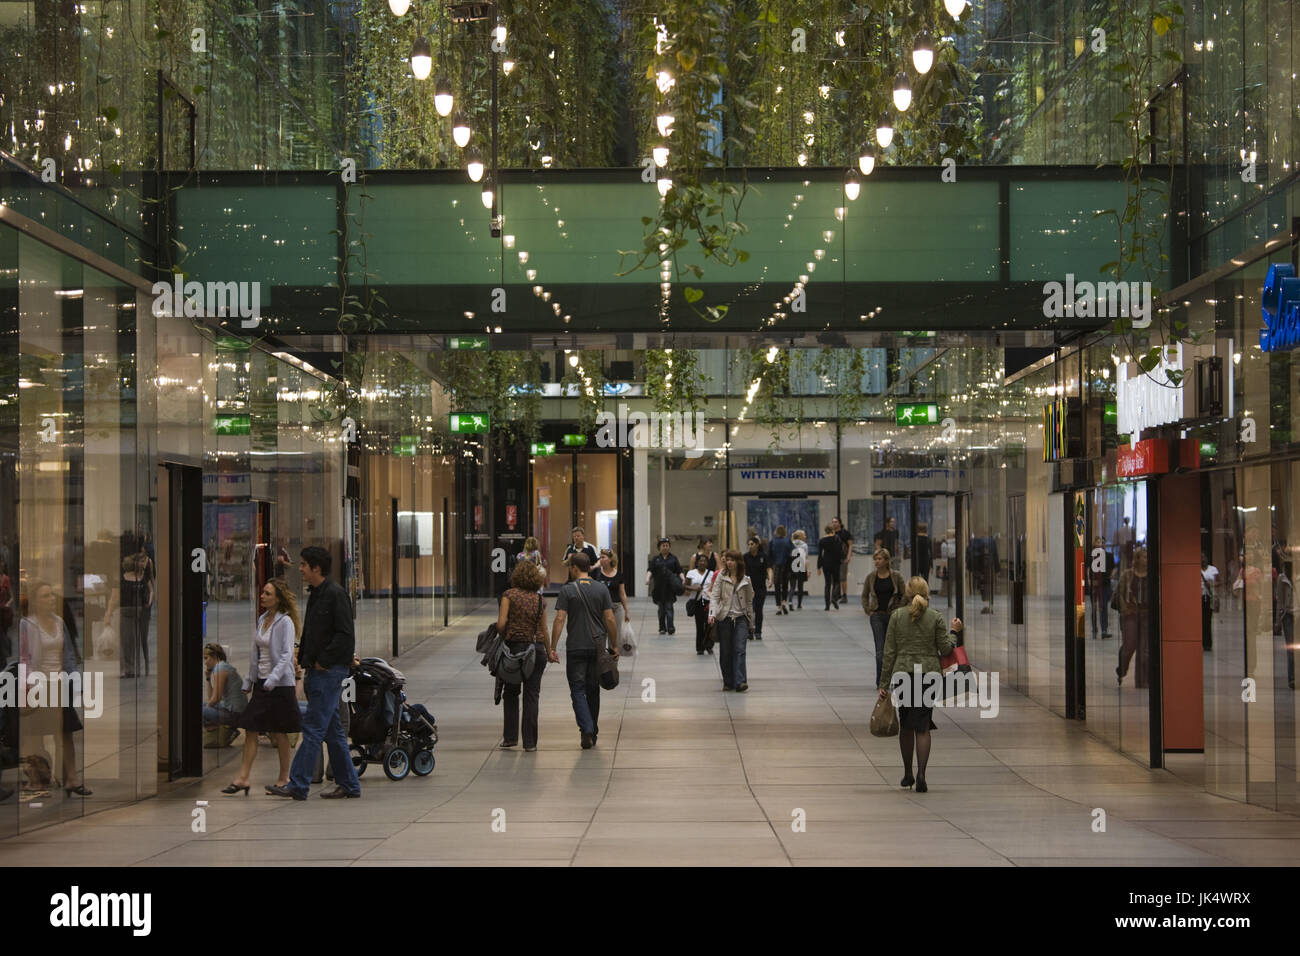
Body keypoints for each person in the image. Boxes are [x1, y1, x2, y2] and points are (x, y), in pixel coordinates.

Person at [270, 547, 360, 800]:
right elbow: (313, 632)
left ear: (316, 568)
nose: (300, 569)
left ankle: (297, 784)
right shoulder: (317, 595)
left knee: (312, 729)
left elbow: (345, 635)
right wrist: (305, 657)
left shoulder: (335, 595)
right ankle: (349, 784)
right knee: (332, 732)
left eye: (303, 565)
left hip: (328, 672)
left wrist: (323, 661)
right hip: (317, 671)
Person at [877, 577, 961, 793]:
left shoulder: (897, 616)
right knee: (923, 726)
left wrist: (884, 683)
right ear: (927, 593)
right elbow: (946, 649)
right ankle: (922, 773)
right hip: (928, 675)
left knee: (906, 725)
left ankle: (908, 773)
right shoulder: (935, 617)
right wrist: (954, 632)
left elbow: (889, 652)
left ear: (907, 593)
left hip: (904, 673)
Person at [224, 579, 301, 795]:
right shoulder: (262, 619)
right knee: (250, 728)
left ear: (278, 598)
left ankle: (284, 777)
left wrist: (273, 679)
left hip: (279, 685)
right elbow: (255, 653)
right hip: (262, 684)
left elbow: (286, 655)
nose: (263, 596)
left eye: (267, 593)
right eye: (263, 592)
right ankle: (243, 778)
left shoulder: (285, 622)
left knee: (280, 731)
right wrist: (250, 679)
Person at [18, 582, 91, 797]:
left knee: (66, 731)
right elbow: (25, 657)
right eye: (45, 596)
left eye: (52, 595)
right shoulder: (27, 624)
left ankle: (72, 778)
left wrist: (73, 681)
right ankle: (37, 779)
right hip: (39, 684)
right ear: (35, 602)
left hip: (59, 684)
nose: (51, 599)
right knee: (37, 735)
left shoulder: (59, 622)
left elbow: (68, 653)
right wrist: (28, 685)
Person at [551, 553, 617, 749]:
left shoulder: (567, 590)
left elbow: (560, 619)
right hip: (597, 648)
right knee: (593, 690)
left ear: (573, 568)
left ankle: (586, 728)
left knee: (578, 690)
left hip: (576, 647)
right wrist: (614, 645)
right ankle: (592, 731)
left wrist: (552, 647)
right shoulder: (601, 588)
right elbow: (610, 619)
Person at [496, 561, 552, 751]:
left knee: (511, 693)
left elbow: (501, 624)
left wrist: (507, 629)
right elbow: (544, 629)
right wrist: (550, 650)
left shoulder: (508, 596)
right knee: (531, 695)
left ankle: (510, 737)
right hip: (535, 650)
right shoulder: (539, 600)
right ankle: (530, 743)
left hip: (514, 650)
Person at [708, 549, 755, 692]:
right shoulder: (721, 578)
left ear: (738, 562)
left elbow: (748, 602)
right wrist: (712, 614)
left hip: (741, 619)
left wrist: (751, 623)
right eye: (727, 560)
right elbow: (715, 597)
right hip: (725, 618)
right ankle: (728, 681)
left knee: (740, 649)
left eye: (732, 560)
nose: (729, 562)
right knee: (726, 651)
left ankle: (740, 681)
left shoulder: (746, 580)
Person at [861, 549, 907, 686]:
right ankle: (881, 681)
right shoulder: (871, 577)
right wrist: (868, 609)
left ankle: (894, 679)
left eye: (879, 559)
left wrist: (899, 609)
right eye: (875, 559)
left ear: (887, 561)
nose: (877, 561)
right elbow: (865, 595)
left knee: (893, 648)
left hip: (893, 615)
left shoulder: (896, 576)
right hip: (877, 616)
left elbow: (905, 594)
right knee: (880, 649)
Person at [105, 553, 153, 678]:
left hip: (135, 612)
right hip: (133, 611)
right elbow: (114, 598)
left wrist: (108, 614)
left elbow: (114, 599)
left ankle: (131, 668)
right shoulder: (132, 578)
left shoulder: (135, 578)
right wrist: (108, 614)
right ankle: (131, 668)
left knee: (132, 641)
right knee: (130, 641)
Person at [1116, 545, 1150, 688]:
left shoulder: (1152, 575)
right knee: (1130, 645)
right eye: (1144, 557)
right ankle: (1122, 669)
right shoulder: (1128, 575)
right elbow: (1119, 594)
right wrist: (1125, 609)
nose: (1146, 559)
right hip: (1130, 614)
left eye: (1147, 557)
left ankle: (1143, 681)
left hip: (1146, 614)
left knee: (1144, 649)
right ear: (1137, 559)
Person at [202, 643, 247, 742]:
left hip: (234, 714)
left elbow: (216, 698)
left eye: (206, 658)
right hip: (232, 710)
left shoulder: (220, 668)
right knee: (204, 706)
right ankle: (224, 730)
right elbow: (212, 698)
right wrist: (208, 679)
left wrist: (206, 709)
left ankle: (226, 730)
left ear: (214, 657)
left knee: (200, 711)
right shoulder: (222, 667)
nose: (205, 662)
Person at [646, 537, 684, 635]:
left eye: (667, 545)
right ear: (659, 547)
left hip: (670, 589)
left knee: (669, 608)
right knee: (661, 610)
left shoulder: (673, 558)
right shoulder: (656, 559)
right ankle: (662, 627)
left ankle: (671, 627)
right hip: (659, 588)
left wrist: (683, 579)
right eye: (663, 545)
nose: (665, 547)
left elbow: (679, 570)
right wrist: (647, 579)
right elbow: (650, 570)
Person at [592, 549, 631, 636]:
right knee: (600, 634)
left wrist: (626, 611)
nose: (600, 559)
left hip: (616, 607)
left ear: (610, 559)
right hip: (600, 608)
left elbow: (622, 594)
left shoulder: (619, 575)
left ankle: (613, 649)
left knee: (615, 635)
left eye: (603, 557)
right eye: (600, 557)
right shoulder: (596, 573)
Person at [685, 554, 716, 655]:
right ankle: (700, 647)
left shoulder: (711, 574)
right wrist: (694, 588)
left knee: (709, 624)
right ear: (697, 562)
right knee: (699, 625)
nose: (702, 563)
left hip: (708, 602)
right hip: (697, 601)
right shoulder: (691, 573)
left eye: (704, 561)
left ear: (707, 563)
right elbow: (685, 586)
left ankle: (709, 645)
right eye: (700, 561)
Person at [743, 536, 772, 640]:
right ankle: (749, 630)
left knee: (758, 609)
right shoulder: (745, 557)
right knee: (749, 610)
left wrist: (770, 579)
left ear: (757, 545)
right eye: (749, 544)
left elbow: (769, 568)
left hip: (760, 587)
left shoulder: (763, 556)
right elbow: (742, 571)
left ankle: (758, 631)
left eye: (752, 544)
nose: (750, 546)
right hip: (748, 587)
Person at [1090, 536, 1115, 639]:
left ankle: (1104, 629)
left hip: (1105, 585)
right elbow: (1088, 569)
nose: (1100, 543)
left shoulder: (1108, 556)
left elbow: (1114, 568)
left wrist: (1112, 575)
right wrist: (1090, 581)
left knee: (1103, 607)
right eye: (1098, 541)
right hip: (1095, 586)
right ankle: (1095, 628)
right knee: (1095, 608)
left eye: (1102, 542)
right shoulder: (1092, 556)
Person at [1275, 561, 1295, 690]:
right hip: (1288, 616)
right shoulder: (1281, 579)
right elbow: (1280, 600)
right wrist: (1278, 621)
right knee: (1291, 649)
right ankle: (1292, 678)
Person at [816, 523, 844, 610]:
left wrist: (818, 567)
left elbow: (820, 554)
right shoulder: (837, 539)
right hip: (835, 563)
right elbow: (840, 552)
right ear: (832, 530)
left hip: (826, 563)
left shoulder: (822, 540)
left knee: (827, 584)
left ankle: (827, 606)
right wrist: (841, 560)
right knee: (836, 582)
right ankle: (834, 597)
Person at [768, 525, 794, 615]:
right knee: (785, 585)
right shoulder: (788, 541)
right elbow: (794, 552)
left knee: (777, 587)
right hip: (786, 565)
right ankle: (784, 602)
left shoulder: (772, 542)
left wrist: (770, 566)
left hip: (776, 566)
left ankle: (779, 607)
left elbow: (769, 555)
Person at [832, 517, 855, 602]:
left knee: (842, 577)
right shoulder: (832, 533)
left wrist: (848, 556)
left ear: (839, 523)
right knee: (834, 577)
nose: (834, 523)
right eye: (833, 522)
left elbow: (850, 544)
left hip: (843, 558)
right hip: (833, 559)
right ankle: (836, 594)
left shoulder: (845, 533)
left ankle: (844, 595)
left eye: (836, 522)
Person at [1201, 553, 1219, 651]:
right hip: (1198, 597)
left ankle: (1208, 643)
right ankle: (1201, 642)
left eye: (1204, 557)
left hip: (1208, 597)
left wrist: (1211, 585)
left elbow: (1219, 582)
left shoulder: (1213, 569)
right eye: (1200, 558)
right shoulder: (1196, 569)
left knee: (1207, 621)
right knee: (1200, 621)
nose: (1202, 559)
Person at [790, 530, 809, 609]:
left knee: (792, 586)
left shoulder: (791, 544)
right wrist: (807, 569)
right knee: (800, 586)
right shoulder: (804, 545)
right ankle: (799, 604)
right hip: (801, 565)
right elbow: (805, 557)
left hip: (792, 566)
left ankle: (790, 601)